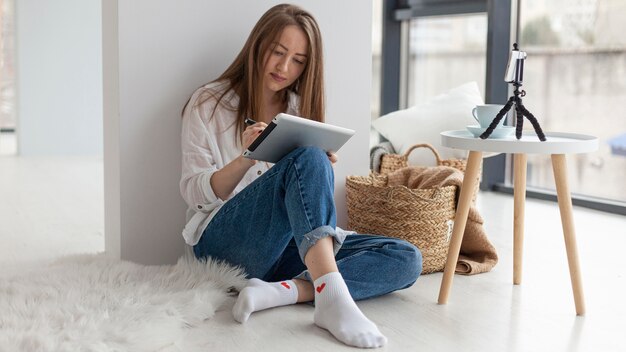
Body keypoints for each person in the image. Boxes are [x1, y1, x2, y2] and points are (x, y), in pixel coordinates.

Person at [180, 4, 422, 348]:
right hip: (224, 244)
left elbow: (307, 202)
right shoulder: (209, 103)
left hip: (288, 250)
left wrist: (316, 169)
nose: (284, 67)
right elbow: (194, 194)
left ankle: (285, 292)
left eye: (298, 60)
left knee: (406, 258)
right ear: (257, 47)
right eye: (278, 53)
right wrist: (249, 158)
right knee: (307, 156)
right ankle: (331, 297)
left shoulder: (296, 110)